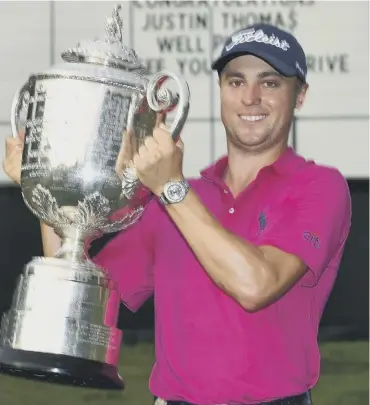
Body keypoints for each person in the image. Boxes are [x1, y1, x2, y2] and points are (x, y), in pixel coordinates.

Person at [3, 23, 351, 405]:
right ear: (221, 91)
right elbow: (81, 291)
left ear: (299, 95)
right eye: (236, 82)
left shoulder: (319, 188)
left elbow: (256, 286)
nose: (250, 97)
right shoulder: (179, 202)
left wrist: (171, 189)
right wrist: (44, 189)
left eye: (270, 83)